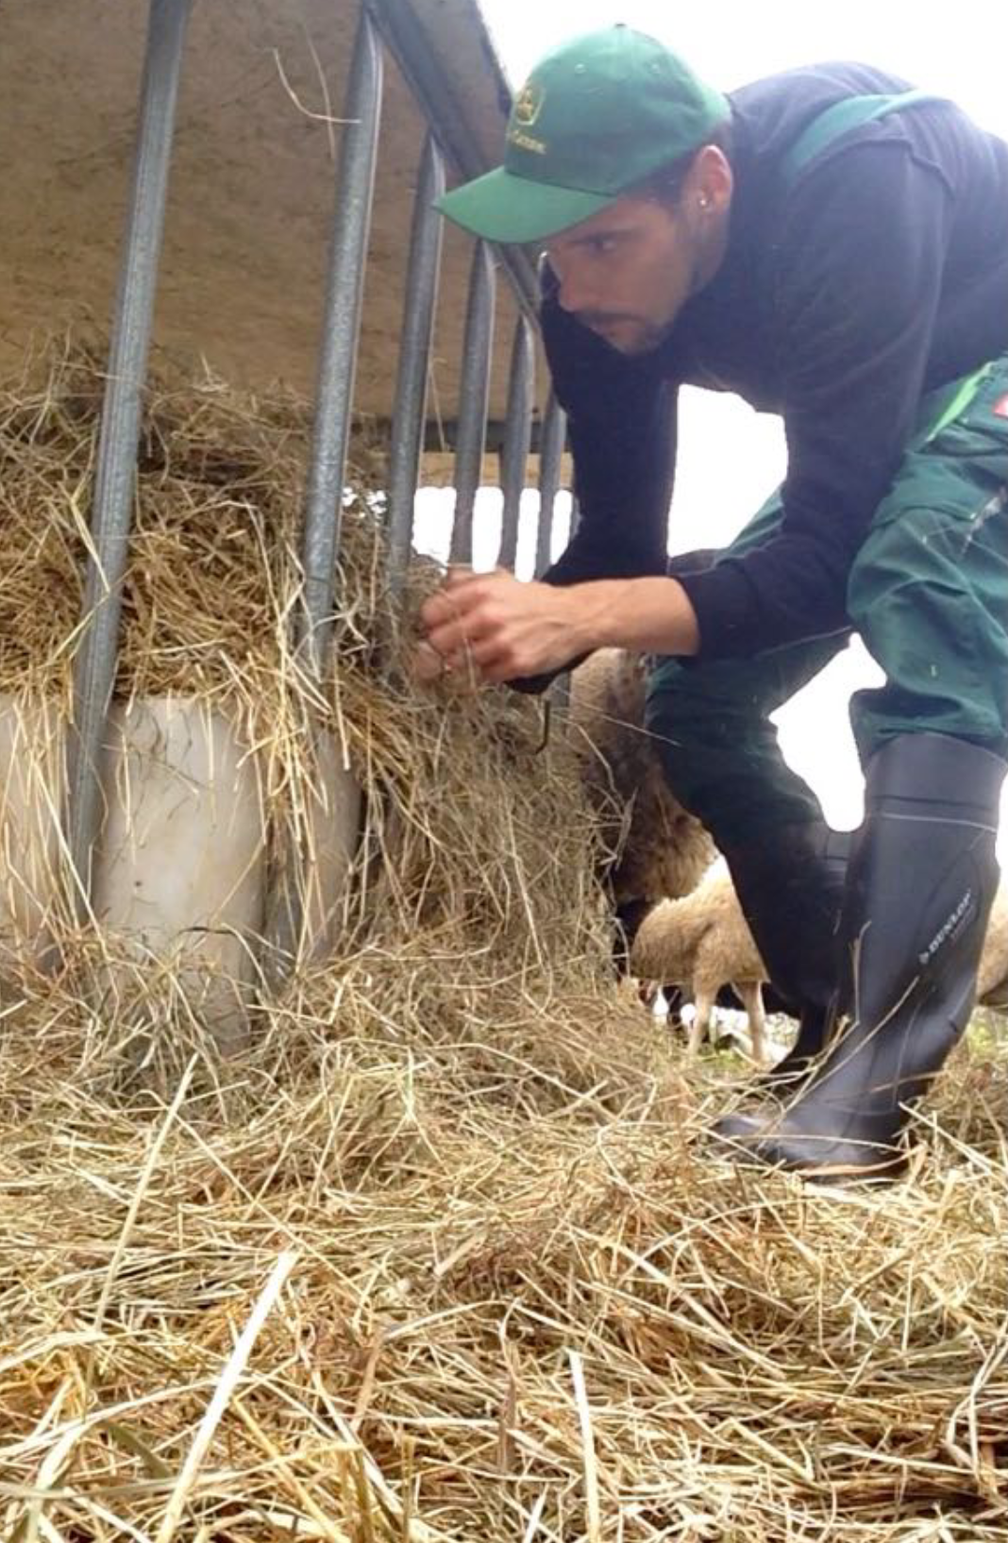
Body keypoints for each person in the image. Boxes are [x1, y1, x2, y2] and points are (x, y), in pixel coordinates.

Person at [420, 24, 1008, 1180]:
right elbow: (622, 545)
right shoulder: (587, 297)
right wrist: (506, 633)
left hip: (985, 378)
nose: (573, 289)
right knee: (690, 694)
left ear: (709, 187)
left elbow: (824, 560)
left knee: (920, 570)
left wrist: (585, 615)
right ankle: (831, 1018)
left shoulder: (860, 180)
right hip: (887, 421)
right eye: (553, 246)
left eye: (604, 243)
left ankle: (877, 1097)